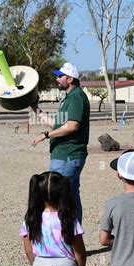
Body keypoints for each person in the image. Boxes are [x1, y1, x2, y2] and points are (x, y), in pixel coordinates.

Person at [31, 62, 90, 223]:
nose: (57, 79)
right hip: (64, 155)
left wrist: (46, 135)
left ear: (70, 79)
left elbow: (72, 126)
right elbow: (57, 124)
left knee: (56, 195)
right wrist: (36, 108)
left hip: (68, 156)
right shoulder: (69, 98)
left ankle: (62, 238)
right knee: (71, 195)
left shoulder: (77, 97)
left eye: (60, 76)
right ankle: (74, 238)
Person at [20, 171, 87, 266]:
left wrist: (36, 265)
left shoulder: (31, 219)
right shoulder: (69, 219)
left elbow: (29, 251)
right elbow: (80, 253)